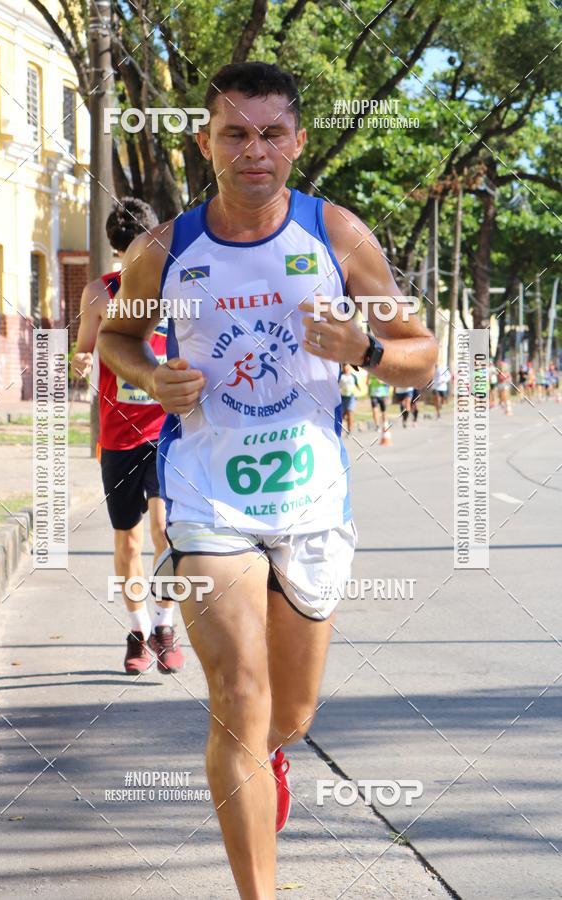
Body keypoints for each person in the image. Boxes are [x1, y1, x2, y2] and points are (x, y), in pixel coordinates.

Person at [98, 61, 437, 899]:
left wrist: (363, 351)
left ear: (298, 142)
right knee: (240, 698)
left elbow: (424, 357)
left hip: (313, 499)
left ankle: (274, 757)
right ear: (206, 141)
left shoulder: (338, 235)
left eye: (271, 132)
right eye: (235, 133)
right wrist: (149, 376)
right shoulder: (165, 249)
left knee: (288, 715)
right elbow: (114, 337)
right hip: (208, 498)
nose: (254, 149)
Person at [71, 198, 184, 675]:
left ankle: (165, 626)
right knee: (128, 544)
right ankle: (138, 633)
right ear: (122, 248)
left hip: (165, 432)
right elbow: (82, 351)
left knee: (165, 531)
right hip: (118, 436)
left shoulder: (174, 287)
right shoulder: (100, 294)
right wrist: (80, 362)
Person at [338, 363, 359, 434]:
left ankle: (350, 430)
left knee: (350, 412)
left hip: (351, 397)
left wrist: (358, 391)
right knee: (343, 415)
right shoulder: (340, 376)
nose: (345, 368)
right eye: (344, 366)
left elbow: (357, 385)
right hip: (342, 397)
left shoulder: (353, 376)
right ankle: (340, 428)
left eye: (347, 366)